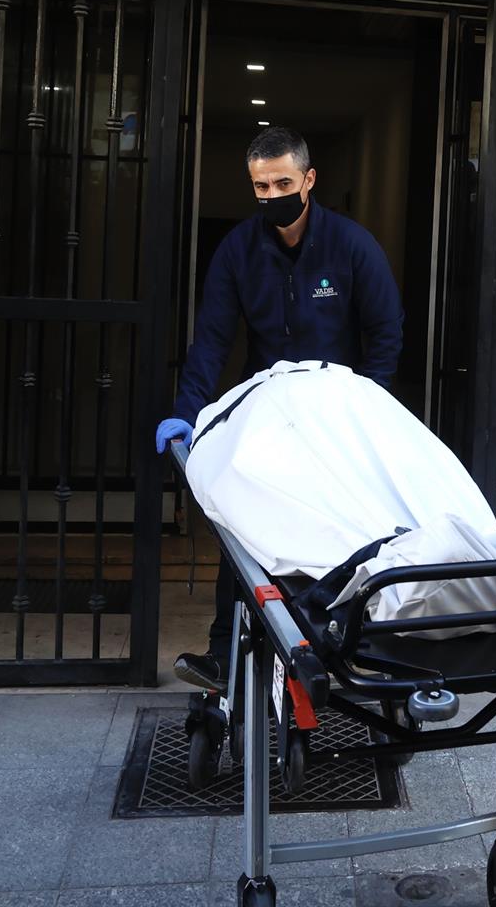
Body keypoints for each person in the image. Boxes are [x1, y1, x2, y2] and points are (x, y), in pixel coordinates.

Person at [157, 125, 403, 689]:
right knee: (241, 525)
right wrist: (188, 411)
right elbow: (212, 339)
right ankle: (226, 654)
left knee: (343, 530)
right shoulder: (238, 250)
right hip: (267, 410)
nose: (272, 195)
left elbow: (385, 330)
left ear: (309, 180)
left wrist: (372, 405)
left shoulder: (351, 245)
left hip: (336, 413)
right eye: (260, 186)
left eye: (283, 183)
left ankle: (343, 646)